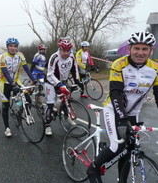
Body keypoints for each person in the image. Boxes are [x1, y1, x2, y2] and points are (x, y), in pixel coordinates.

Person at [87, 31, 158, 183]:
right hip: (113, 109)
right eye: (136, 48)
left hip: (133, 112)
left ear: (150, 51)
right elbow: (116, 93)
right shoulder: (119, 64)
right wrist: (121, 120)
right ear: (129, 49)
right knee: (117, 145)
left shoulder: (155, 69)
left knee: (130, 149)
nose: (140, 52)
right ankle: (93, 168)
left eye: (144, 49)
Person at [0, 37, 36, 137]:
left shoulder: (20, 55)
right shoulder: (2, 57)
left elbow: (26, 69)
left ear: (17, 47)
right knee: (5, 106)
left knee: (28, 98)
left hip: (16, 81)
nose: (13, 48)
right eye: (10, 46)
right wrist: (12, 84)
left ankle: (19, 110)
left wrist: (34, 79)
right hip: (5, 83)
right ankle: (7, 128)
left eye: (15, 46)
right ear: (7, 47)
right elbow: (5, 72)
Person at [44, 39, 82, 136]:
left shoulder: (72, 57)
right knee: (51, 104)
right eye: (64, 51)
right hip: (51, 82)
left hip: (63, 81)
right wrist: (59, 84)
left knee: (66, 101)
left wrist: (77, 80)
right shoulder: (54, 57)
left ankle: (66, 116)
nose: (66, 53)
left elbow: (75, 70)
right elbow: (50, 74)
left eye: (68, 51)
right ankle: (47, 125)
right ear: (60, 49)